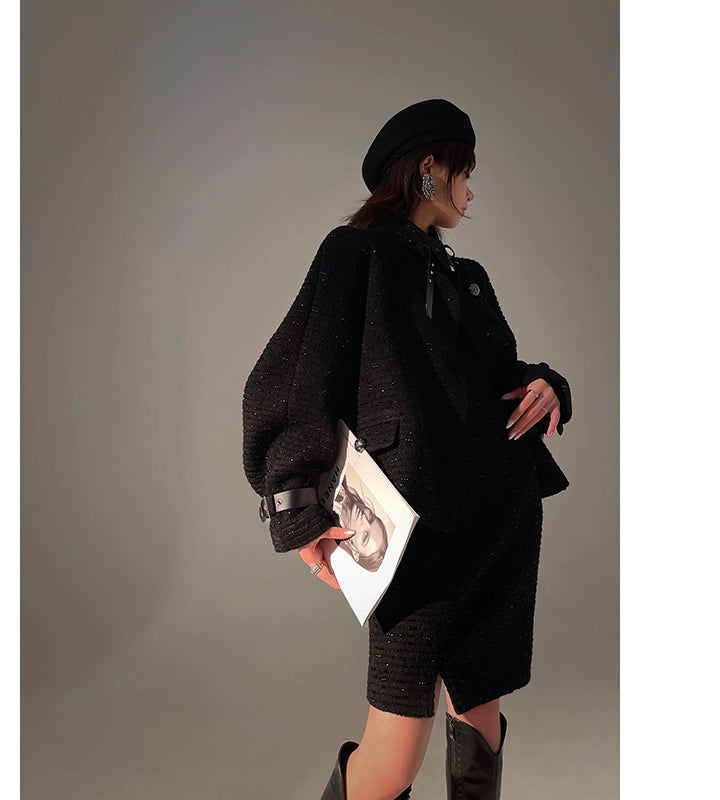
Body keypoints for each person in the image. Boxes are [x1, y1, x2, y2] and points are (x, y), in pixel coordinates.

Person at [242, 98, 572, 800]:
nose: (470, 192)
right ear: (429, 168)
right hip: (414, 531)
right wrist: (297, 509)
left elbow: (499, 379)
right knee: (396, 746)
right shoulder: (355, 254)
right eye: (464, 172)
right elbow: (295, 383)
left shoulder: (467, 276)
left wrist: (548, 385)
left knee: (481, 716)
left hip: (500, 521)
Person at [334, 476, 390, 572]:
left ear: (354, 551)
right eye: (371, 518)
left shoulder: (324, 526)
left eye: (365, 535)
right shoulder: (343, 483)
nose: (364, 518)